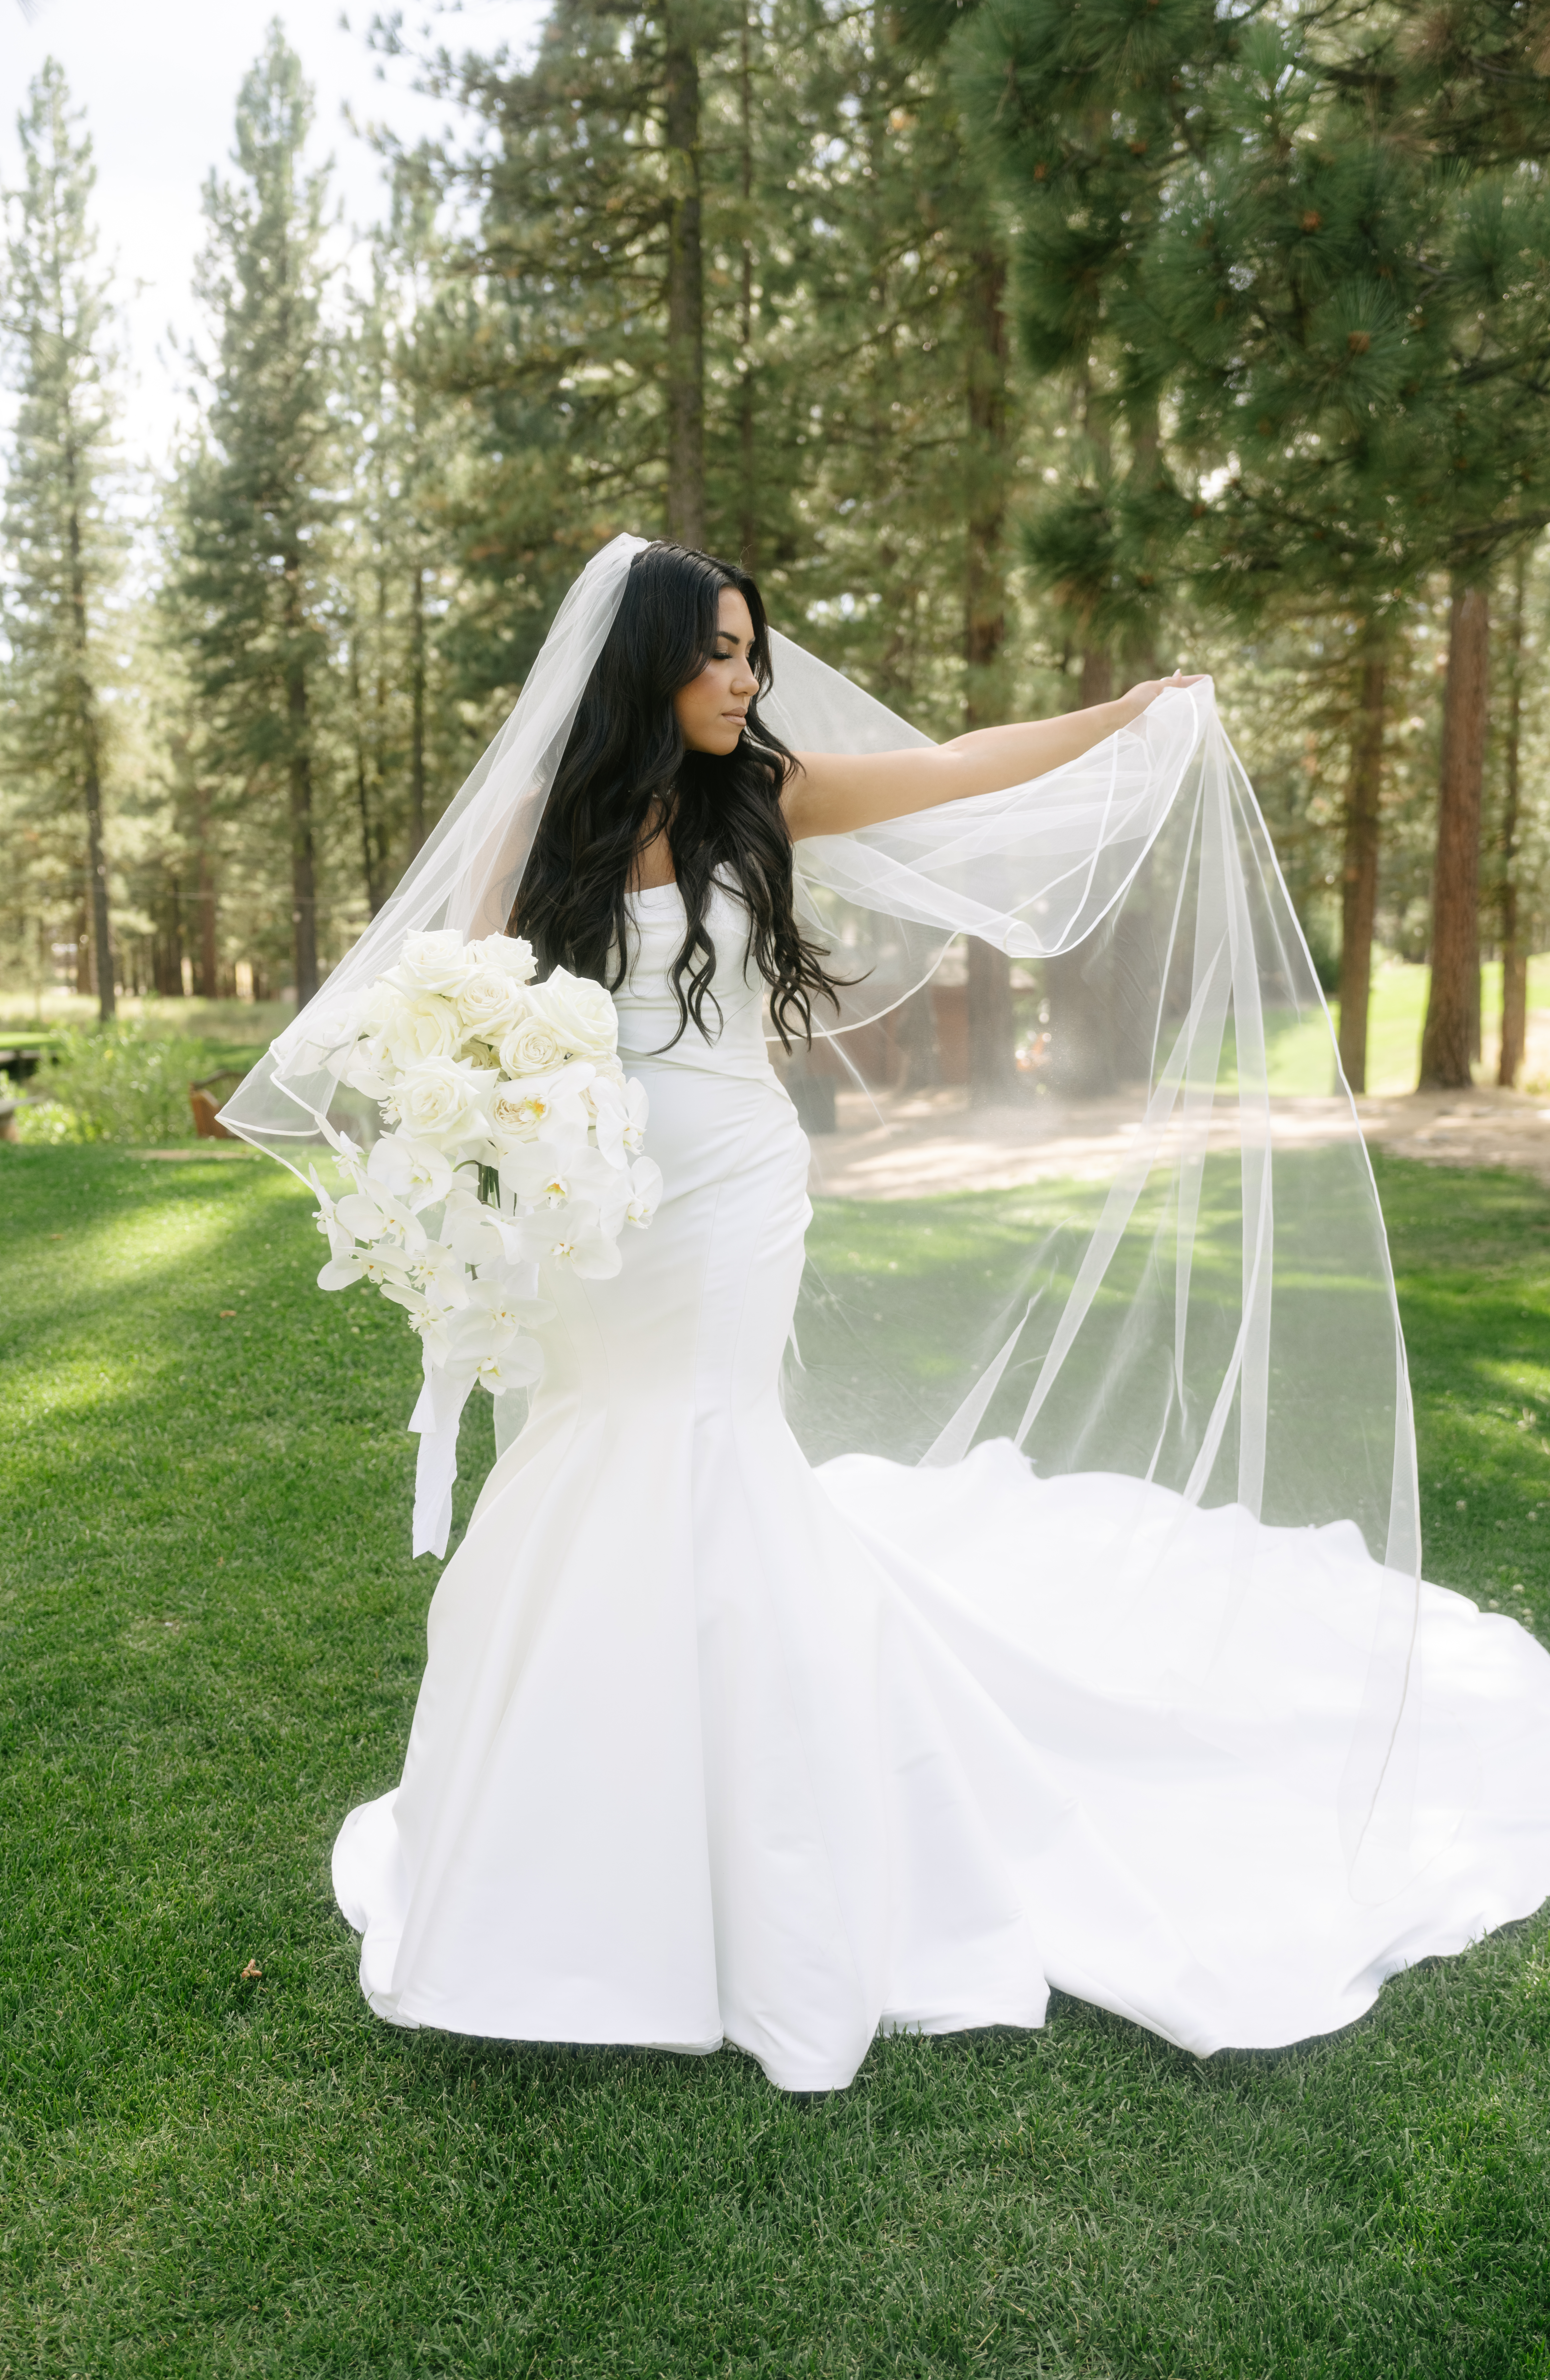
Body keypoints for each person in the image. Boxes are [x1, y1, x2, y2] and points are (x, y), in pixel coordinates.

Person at [229, 538, 1550, 2094]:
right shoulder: (537, 829)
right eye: (719, 652)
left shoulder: (764, 798)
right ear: (650, 659)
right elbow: (446, 1005)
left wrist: (1117, 717)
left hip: (727, 1195)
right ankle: (576, 1828)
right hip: (587, 1210)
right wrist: (484, 1142)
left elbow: (959, 773)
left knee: (702, 1452)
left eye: (752, 652)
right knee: (585, 1456)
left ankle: (761, 1860)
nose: (745, 678)